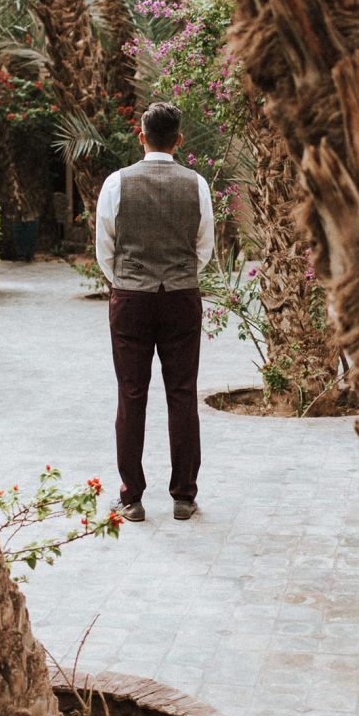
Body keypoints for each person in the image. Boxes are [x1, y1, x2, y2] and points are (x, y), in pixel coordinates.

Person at [95, 101, 214, 522]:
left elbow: (104, 249)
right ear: (179, 140)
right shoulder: (196, 184)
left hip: (131, 299)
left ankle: (132, 499)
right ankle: (183, 496)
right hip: (182, 297)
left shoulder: (116, 183)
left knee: (131, 396)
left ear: (140, 136)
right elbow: (204, 248)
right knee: (182, 394)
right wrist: (179, 274)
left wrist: (129, 279)